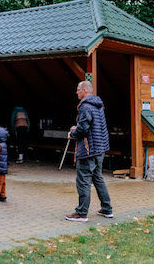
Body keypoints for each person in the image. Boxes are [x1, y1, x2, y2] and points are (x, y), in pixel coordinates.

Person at [65, 81, 113, 222]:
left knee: (83, 180)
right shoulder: (98, 104)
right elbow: (91, 126)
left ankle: (81, 213)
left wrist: (72, 134)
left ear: (85, 90)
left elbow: (84, 129)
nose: (76, 92)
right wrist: (78, 127)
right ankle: (107, 209)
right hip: (100, 148)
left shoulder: (85, 106)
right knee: (97, 178)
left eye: (78, 89)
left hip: (88, 150)